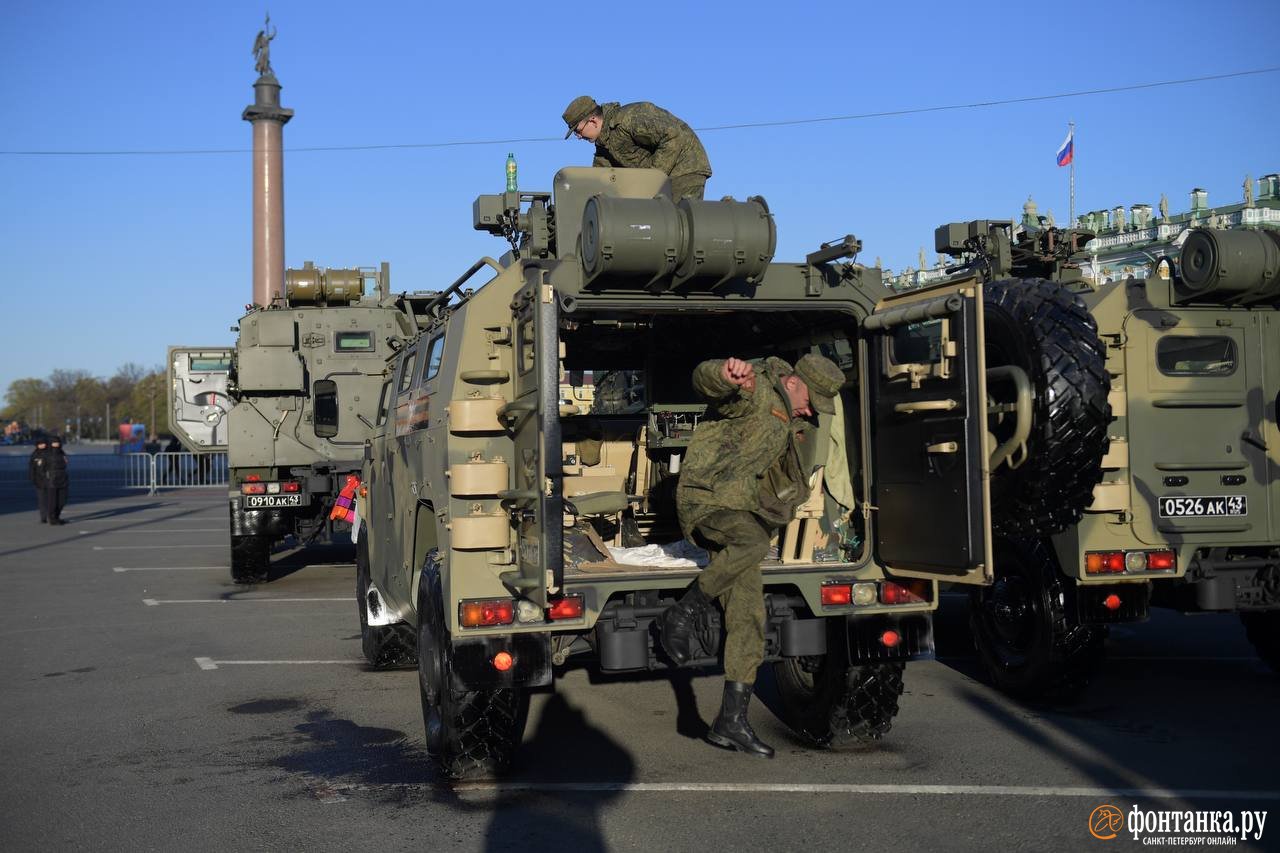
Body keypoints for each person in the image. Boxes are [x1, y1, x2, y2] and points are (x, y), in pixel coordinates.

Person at [660, 353, 844, 758]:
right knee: (754, 543)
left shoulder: (791, 417)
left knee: (749, 615)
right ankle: (683, 612)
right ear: (794, 382)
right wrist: (723, 374)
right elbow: (708, 383)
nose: (812, 411)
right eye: (811, 400)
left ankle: (731, 720)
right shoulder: (756, 390)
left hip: (741, 511)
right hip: (705, 503)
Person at [562, 96, 712, 201]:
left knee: (677, 228)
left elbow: (673, 135)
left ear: (593, 121)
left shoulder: (629, 119)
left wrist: (651, 179)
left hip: (685, 167)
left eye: (578, 131)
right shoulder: (604, 146)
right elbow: (602, 178)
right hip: (660, 181)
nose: (579, 137)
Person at [28, 438, 50, 523]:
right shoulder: (35, 454)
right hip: (39, 480)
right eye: (40, 444)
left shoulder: (49, 453)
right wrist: (32, 478)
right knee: (41, 499)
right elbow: (31, 467)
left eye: (44, 443)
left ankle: (50, 515)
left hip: (49, 479)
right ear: (37, 445)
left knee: (50, 499)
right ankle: (43, 517)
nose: (42, 445)